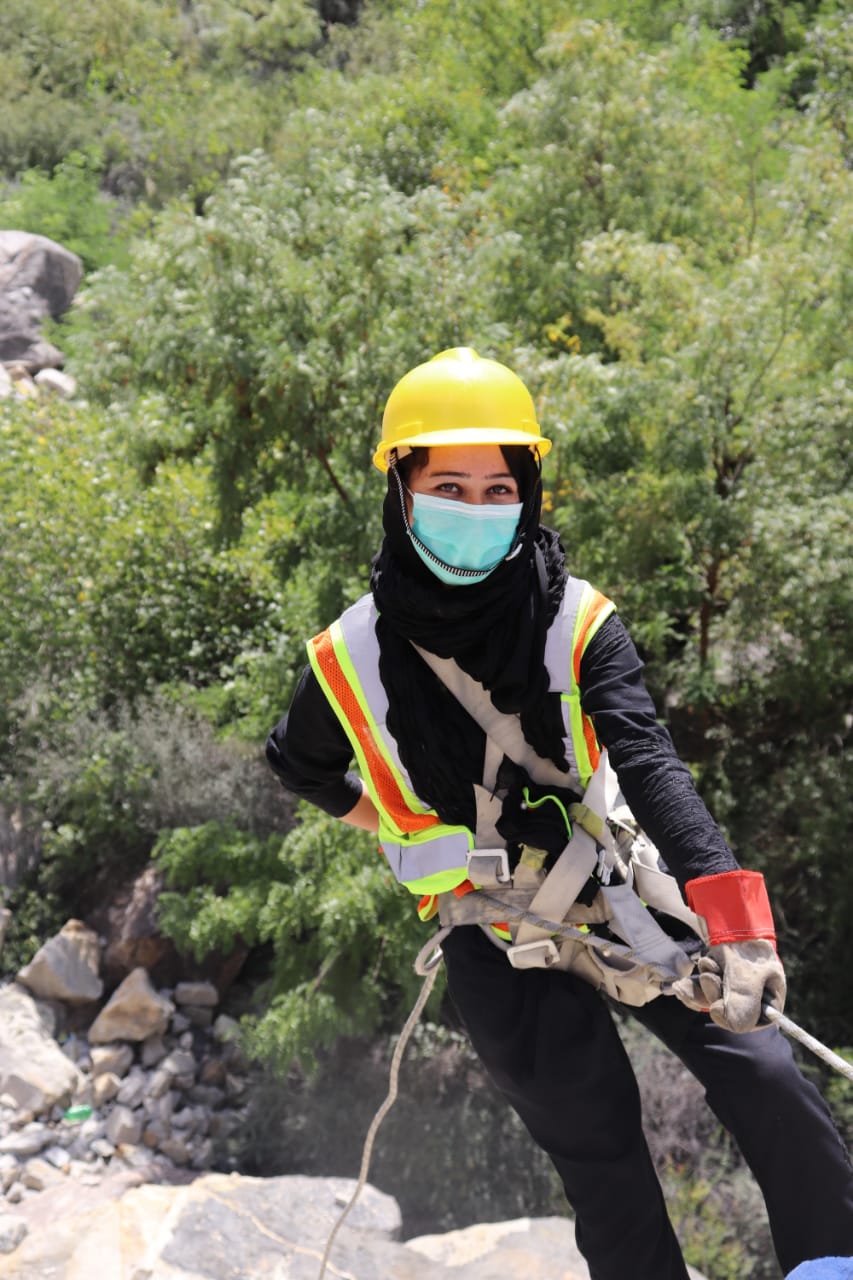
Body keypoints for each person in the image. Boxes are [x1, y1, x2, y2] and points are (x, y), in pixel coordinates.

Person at [267, 347, 853, 1279]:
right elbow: (298, 763)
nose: (479, 507)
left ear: (530, 490)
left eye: (501, 486)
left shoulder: (573, 618)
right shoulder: (349, 654)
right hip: (492, 929)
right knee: (600, 1156)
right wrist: (397, 828)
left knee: (767, 1077)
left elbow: (648, 759)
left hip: (616, 883)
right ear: (402, 490)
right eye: (450, 484)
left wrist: (736, 924)